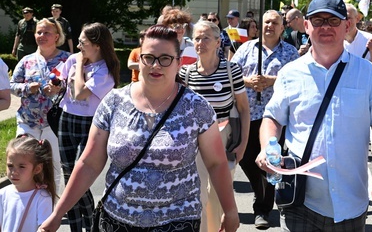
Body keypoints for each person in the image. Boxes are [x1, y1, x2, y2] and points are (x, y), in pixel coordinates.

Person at [39, 25, 239, 232]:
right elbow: (89, 164)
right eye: (149, 58)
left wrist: (230, 210)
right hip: (117, 220)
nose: (156, 65)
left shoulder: (197, 107)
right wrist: (57, 214)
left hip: (178, 221)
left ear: (178, 63)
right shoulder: (114, 102)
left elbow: (216, 163)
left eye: (165, 59)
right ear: (139, 60)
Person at [256, 0, 372, 231]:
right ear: (307, 26)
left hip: (351, 203)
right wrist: (269, 147)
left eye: (333, 21)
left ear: (347, 26)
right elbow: (272, 118)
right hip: (299, 201)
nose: (325, 27)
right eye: (318, 21)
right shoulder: (290, 73)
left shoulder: (368, 74)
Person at [180, 20, 250, 232]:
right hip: (195, 138)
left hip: (224, 137)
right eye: (197, 38)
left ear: (218, 42)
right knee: (198, 191)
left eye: (206, 38)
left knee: (219, 192)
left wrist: (243, 145)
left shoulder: (232, 70)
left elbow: (244, 109)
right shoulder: (186, 73)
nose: (200, 42)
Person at [233, 10, 297, 229]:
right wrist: (247, 81)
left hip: (274, 118)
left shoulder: (290, 52)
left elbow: (297, 80)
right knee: (247, 159)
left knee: (269, 161)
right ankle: (262, 191)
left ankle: (262, 209)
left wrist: (273, 81)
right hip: (247, 114)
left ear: (282, 27)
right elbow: (231, 74)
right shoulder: (246, 48)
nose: (270, 26)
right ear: (260, 26)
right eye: (266, 22)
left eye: (275, 23)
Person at [56, 23, 119, 232]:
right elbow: (62, 81)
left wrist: (81, 65)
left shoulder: (105, 70)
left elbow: (81, 93)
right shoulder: (72, 60)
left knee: (79, 179)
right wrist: (54, 85)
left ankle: (92, 224)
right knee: (68, 177)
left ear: (97, 45)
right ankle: (76, 227)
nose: (79, 47)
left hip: (91, 124)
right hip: (67, 119)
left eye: (83, 43)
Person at [10, 18, 69, 191]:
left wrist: (60, 89)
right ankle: (27, 203)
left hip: (55, 123)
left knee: (54, 166)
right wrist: (29, 88)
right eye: (39, 32)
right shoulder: (27, 60)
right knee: (23, 164)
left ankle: (52, 206)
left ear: (57, 36)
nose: (42, 35)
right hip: (28, 122)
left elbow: (77, 87)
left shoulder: (67, 59)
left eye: (47, 33)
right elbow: (12, 86)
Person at [0, 135, 56, 232]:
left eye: (21, 166)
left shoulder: (42, 197)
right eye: (10, 165)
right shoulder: (2, 193)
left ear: (37, 169)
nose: (14, 171)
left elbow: (45, 227)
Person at [343, 4, 372, 70]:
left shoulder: (369, 39)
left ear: (357, 19)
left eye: (348, 18)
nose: (345, 21)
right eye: (342, 18)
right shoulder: (335, 42)